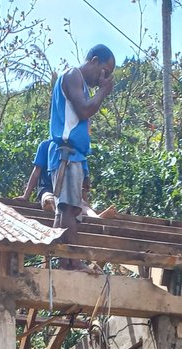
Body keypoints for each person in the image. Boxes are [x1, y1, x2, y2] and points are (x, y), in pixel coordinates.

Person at [48, 45, 115, 262]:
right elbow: (84, 110)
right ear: (94, 61)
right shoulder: (72, 75)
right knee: (69, 209)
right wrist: (103, 93)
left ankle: (61, 261)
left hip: (73, 156)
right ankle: (73, 262)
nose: (103, 78)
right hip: (66, 154)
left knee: (64, 211)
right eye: (104, 71)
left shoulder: (82, 85)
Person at [21, 138, 58, 213]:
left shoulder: (74, 147)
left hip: (62, 188)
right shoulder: (45, 145)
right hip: (46, 187)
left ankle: (52, 203)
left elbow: (36, 171)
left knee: (47, 197)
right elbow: (37, 171)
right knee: (47, 197)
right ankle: (51, 203)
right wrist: (26, 196)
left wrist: (26, 196)